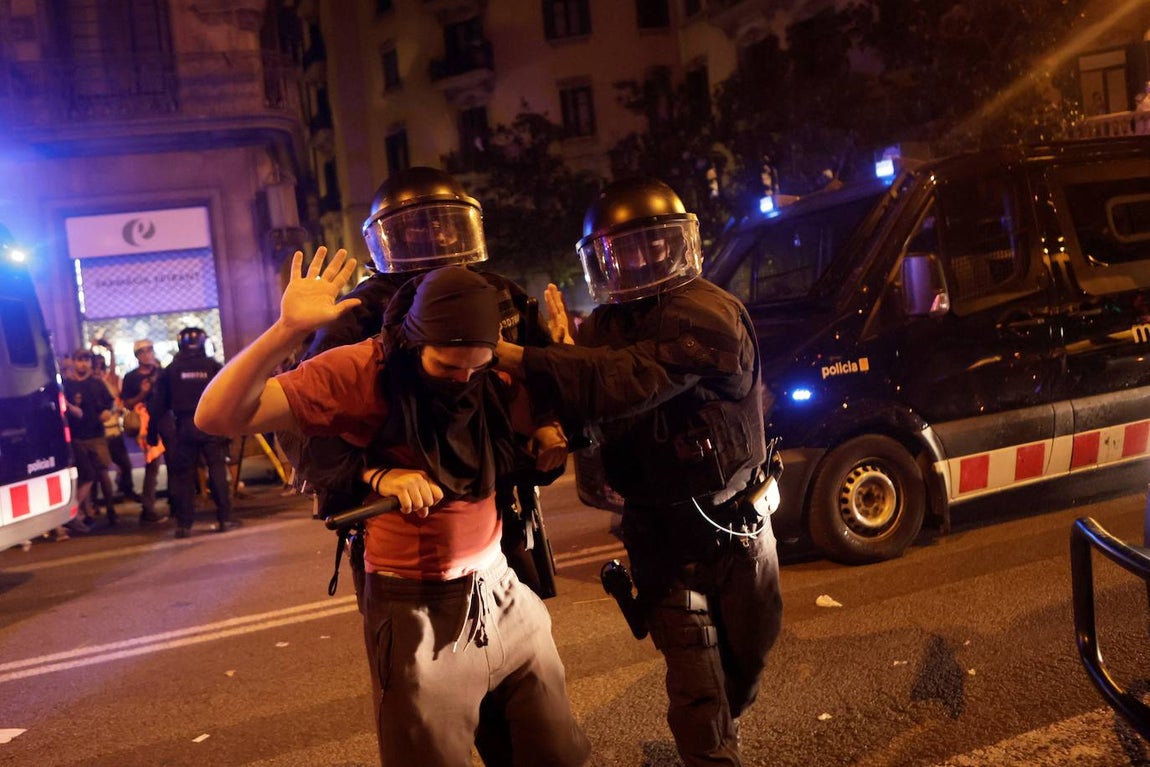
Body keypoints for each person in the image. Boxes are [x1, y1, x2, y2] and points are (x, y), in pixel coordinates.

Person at [194, 251, 590, 767]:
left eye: (478, 365)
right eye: (446, 366)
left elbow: (545, 405)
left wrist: (547, 413)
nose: (463, 379)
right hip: (419, 606)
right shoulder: (365, 368)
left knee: (558, 756)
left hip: (505, 589)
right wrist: (284, 332)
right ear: (413, 339)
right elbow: (217, 415)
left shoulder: (487, 368)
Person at [495, 178, 784, 767]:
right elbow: (598, 408)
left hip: (738, 529)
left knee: (745, 667)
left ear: (679, 243)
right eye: (625, 248)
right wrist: (559, 429)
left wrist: (522, 355)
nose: (642, 257)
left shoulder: (710, 313)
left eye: (654, 243)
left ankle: (721, 730)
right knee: (696, 690)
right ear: (604, 258)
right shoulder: (603, 327)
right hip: (659, 535)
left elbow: (625, 382)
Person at [291, 165, 564, 603]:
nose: (433, 238)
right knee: (419, 658)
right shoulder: (357, 314)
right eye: (416, 228)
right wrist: (375, 474)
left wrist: (549, 423)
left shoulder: (500, 296)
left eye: (443, 224)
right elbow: (304, 423)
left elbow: (541, 378)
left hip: (495, 507)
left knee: (517, 650)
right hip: (402, 523)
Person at [148, 327, 235, 538]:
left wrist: (152, 432)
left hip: (185, 426)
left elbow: (159, 404)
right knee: (216, 471)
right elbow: (229, 395)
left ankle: (184, 524)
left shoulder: (171, 370)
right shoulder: (213, 366)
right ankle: (224, 518)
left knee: (183, 476)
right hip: (211, 424)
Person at [63, 347, 119, 527]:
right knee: (84, 476)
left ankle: (111, 510)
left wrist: (106, 412)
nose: (83, 363)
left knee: (103, 473)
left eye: (86, 360)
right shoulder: (67, 385)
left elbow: (110, 403)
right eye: (80, 359)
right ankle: (87, 514)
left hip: (96, 435)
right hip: (77, 436)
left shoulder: (97, 383)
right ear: (73, 361)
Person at [121, 339, 168, 524]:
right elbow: (127, 404)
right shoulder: (131, 377)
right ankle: (148, 509)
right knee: (153, 465)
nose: (147, 353)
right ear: (137, 356)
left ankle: (176, 503)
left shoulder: (162, 372)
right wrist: (142, 393)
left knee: (174, 461)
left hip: (164, 419)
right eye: (142, 351)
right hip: (146, 424)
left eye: (150, 350)